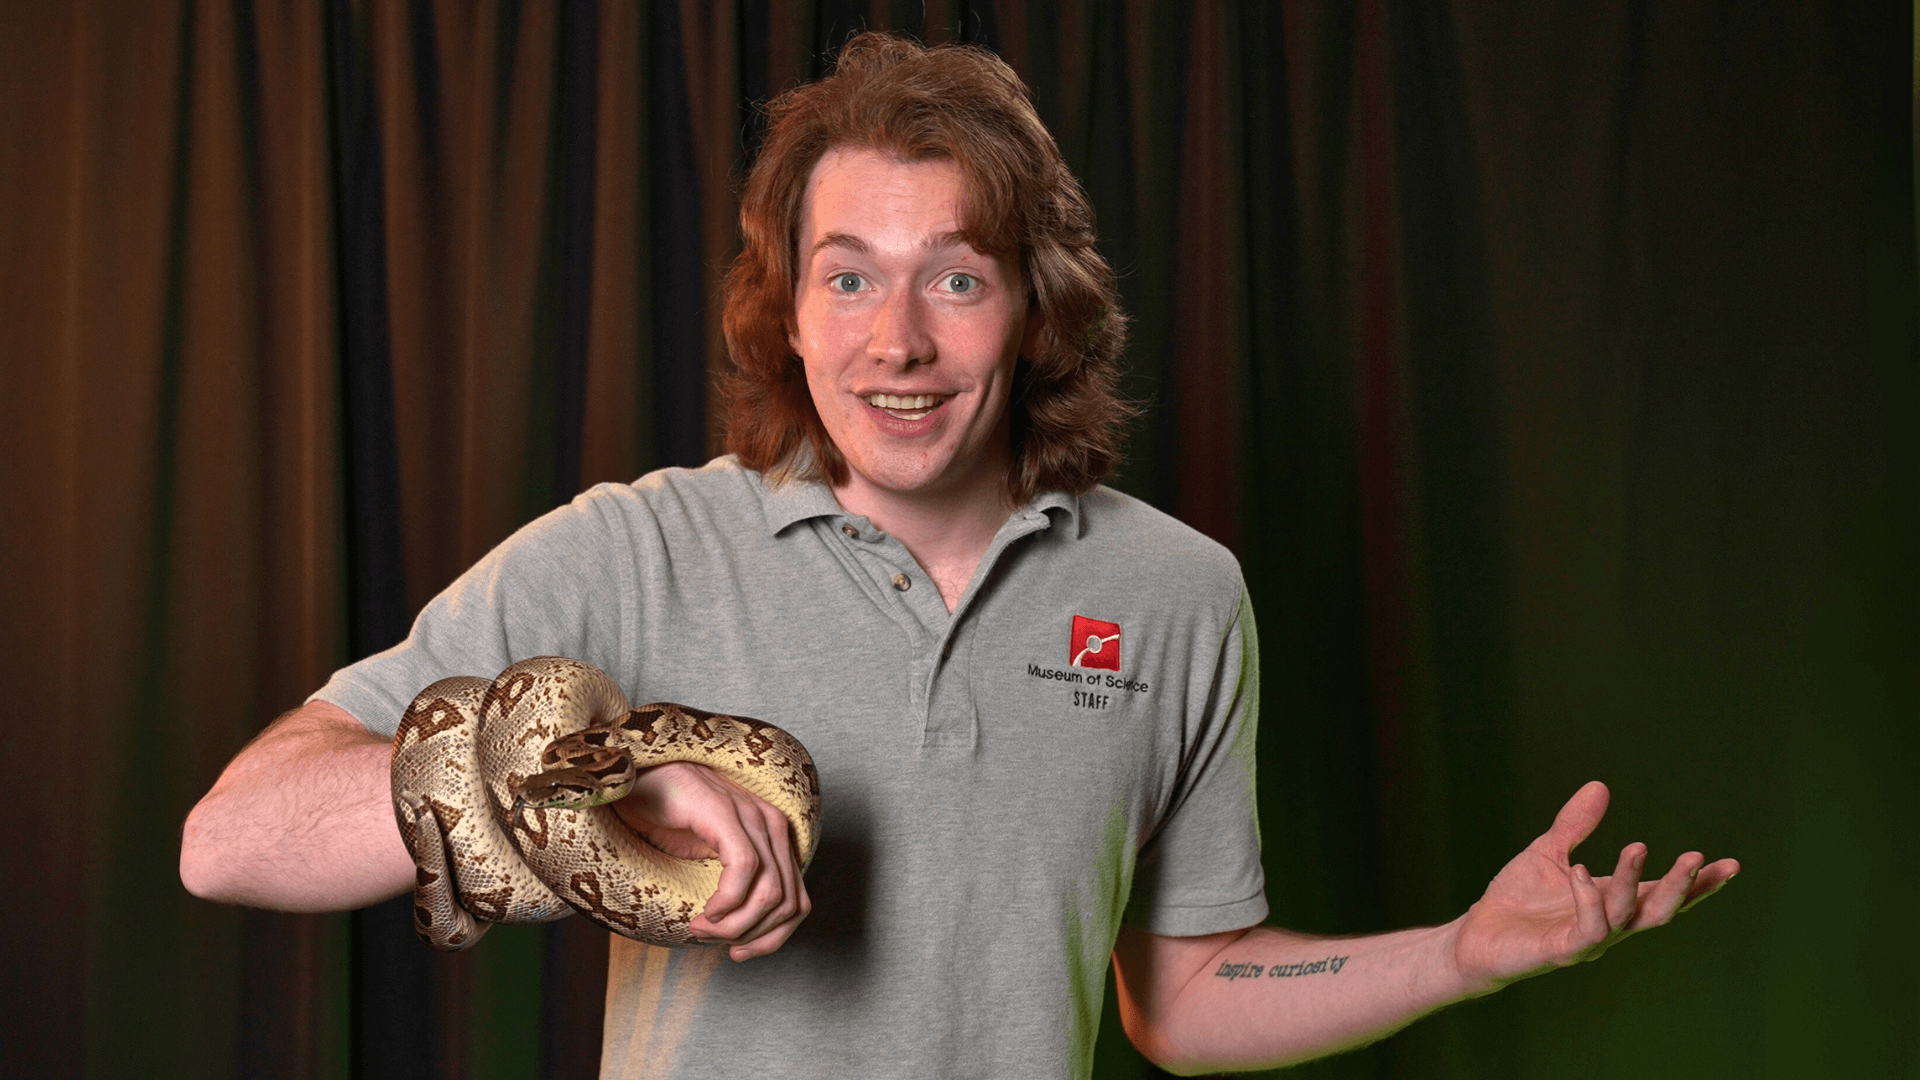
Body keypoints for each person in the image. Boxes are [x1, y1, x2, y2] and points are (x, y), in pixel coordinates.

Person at [180, 32, 1737, 1078]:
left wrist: (1462, 955)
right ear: (786, 313)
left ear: (1038, 304)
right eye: (847, 278)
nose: (897, 343)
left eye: (958, 279)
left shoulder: (1180, 596)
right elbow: (231, 837)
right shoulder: (642, 546)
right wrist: (600, 772)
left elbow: (1180, 998)